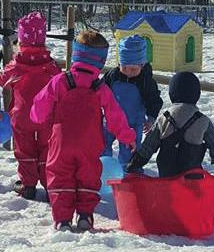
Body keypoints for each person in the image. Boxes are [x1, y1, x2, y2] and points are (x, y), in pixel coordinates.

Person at [31, 30, 136, 232]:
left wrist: (37, 118)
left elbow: (41, 102)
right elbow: (116, 115)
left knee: (60, 176)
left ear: (75, 56)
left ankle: (62, 219)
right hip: (90, 143)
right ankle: (85, 215)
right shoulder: (100, 87)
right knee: (88, 177)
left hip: (61, 142)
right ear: (100, 61)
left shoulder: (61, 81)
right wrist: (127, 137)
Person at [0, 12, 61, 200]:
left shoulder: (16, 65)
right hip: (46, 116)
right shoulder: (50, 66)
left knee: (24, 150)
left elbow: (2, 79)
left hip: (22, 116)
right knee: (47, 149)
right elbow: (60, 83)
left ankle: (28, 185)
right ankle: (50, 184)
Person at [126, 72, 214, 177]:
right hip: (191, 173)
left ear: (172, 93)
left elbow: (150, 143)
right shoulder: (202, 120)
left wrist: (137, 161)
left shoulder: (164, 118)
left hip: (167, 172)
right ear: (196, 94)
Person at [102, 35, 163, 171]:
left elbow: (154, 101)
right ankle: (103, 166)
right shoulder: (113, 76)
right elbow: (100, 91)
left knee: (129, 151)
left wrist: (151, 118)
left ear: (142, 65)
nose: (129, 72)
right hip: (110, 121)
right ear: (119, 64)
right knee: (103, 143)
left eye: (134, 69)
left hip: (133, 123)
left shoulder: (146, 81)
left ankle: (128, 171)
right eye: (125, 68)